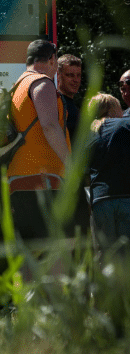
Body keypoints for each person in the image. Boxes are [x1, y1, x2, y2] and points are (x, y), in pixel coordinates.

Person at [6, 39, 70, 241]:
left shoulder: (17, 87)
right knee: (55, 248)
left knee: (28, 251)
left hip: (17, 180)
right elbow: (49, 126)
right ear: (52, 59)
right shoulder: (41, 83)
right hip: (44, 179)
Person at [84, 93, 127, 251]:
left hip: (100, 201)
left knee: (105, 255)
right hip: (125, 197)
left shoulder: (88, 134)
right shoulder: (123, 125)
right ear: (112, 109)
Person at [56, 54, 82, 142]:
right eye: (70, 75)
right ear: (58, 76)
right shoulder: (57, 104)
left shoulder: (71, 106)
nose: (76, 80)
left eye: (78, 75)